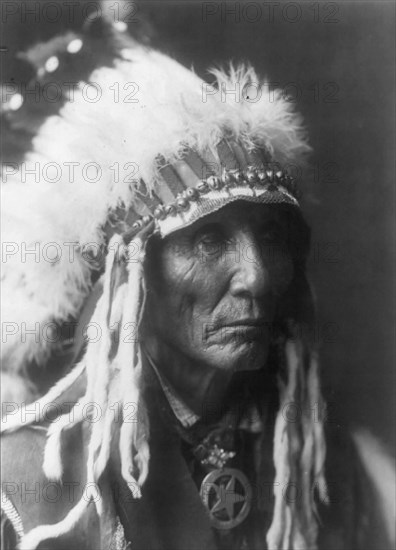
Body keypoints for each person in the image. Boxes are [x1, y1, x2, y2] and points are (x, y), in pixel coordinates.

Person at [1, 41, 394, 550]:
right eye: (209, 240)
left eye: (271, 238)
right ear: (128, 275)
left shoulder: (328, 472)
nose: (255, 278)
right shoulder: (31, 479)